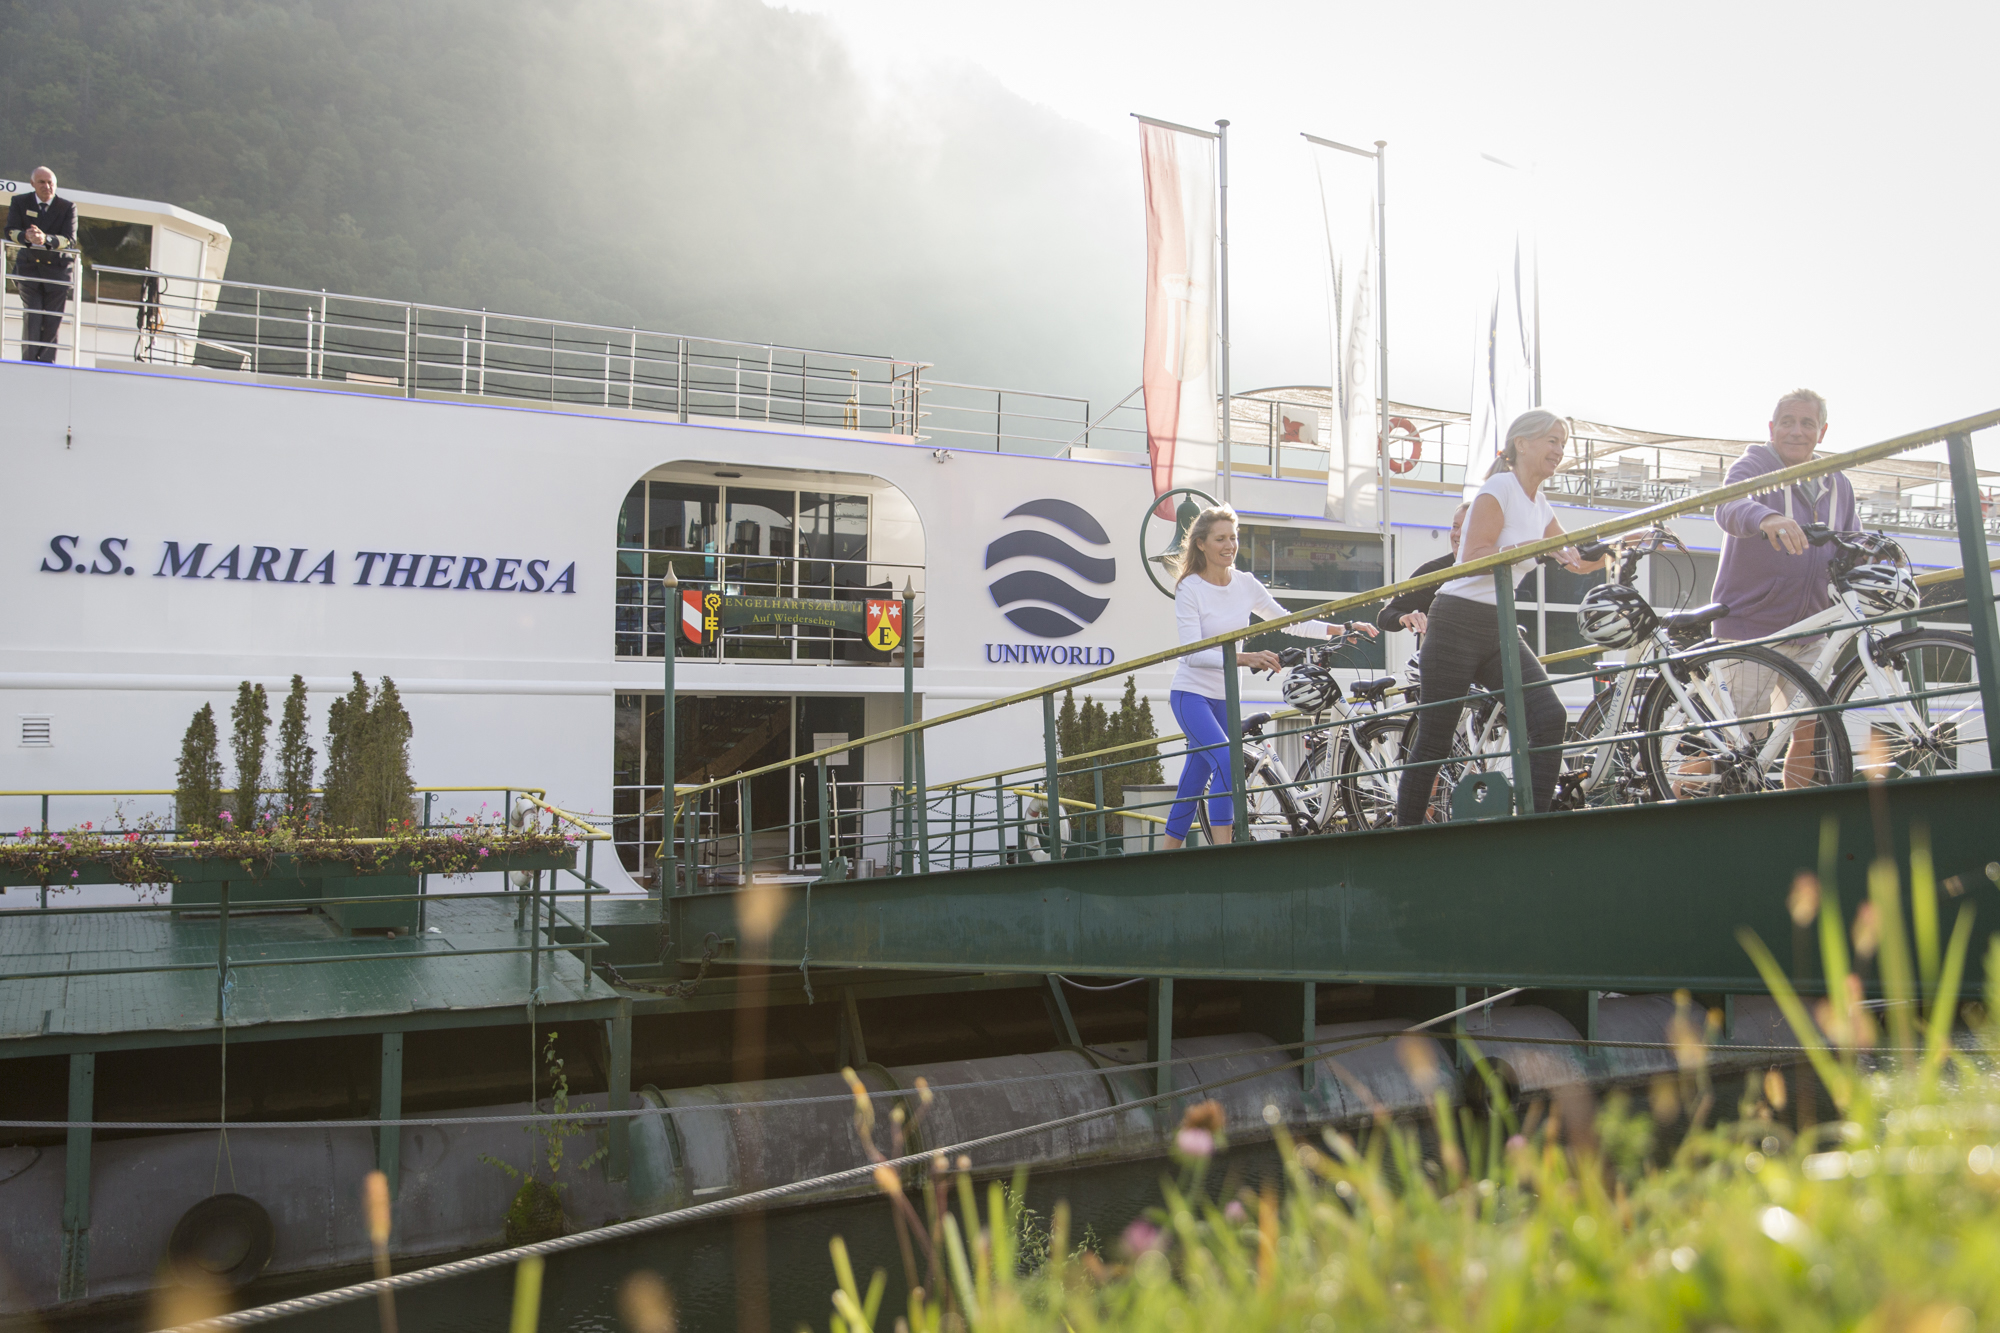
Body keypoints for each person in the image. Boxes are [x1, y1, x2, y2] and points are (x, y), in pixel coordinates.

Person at [1393, 410, 1604, 826]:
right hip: (1456, 621)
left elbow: (1574, 560)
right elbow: (1472, 558)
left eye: (1563, 443)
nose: (1559, 451)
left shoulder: (1539, 504)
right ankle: (1403, 837)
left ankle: (1534, 827)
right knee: (1435, 738)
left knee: (1549, 716)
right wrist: (1534, 547)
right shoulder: (1499, 488)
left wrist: (1618, 546)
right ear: (1521, 444)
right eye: (1551, 441)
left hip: (1498, 627)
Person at [1161, 505, 1377, 849]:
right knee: (1229, 764)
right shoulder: (1190, 588)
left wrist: (1340, 628)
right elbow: (1192, 652)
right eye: (1220, 538)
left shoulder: (1245, 584)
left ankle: (1164, 860)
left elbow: (1288, 620)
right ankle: (1225, 856)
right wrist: (1245, 657)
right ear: (1201, 544)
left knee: (1193, 780)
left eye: (1233, 537)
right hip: (1192, 695)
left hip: (1226, 698)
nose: (1229, 545)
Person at [1709, 388, 1854, 783]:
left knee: (1809, 731)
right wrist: (1765, 517)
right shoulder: (1754, 464)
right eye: (1787, 422)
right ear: (1772, 428)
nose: (1796, 431)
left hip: (1811, 629)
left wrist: (1878, 555)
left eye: (1807, 423)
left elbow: (1848, 543)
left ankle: (1798, 821)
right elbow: (1727, 505)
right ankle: (1677, 805)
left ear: (1822, 432)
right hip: (1751, 626)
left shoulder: (1838, 481)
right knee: (1736, 742)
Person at [5, 168, 77, 363]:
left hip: (57, 272)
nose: (47, 186)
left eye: (50, 182)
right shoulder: (20, 202)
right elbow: (10, 231)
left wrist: (46, 239)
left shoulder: (67, 207)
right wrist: (26, 237)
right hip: (29, 269)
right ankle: (29, 362)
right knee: (33, 315)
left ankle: (46, 364)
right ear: (32, 184)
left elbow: (70, 240)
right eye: (42, 182)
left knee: (52, 321)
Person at [1375, 501, 1470, 635]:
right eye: (1455, 527)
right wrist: (1404, 618)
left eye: (1466, 528)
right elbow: (1385, 616)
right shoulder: (1433, 571)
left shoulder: (1494, 570)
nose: (1458, 534)